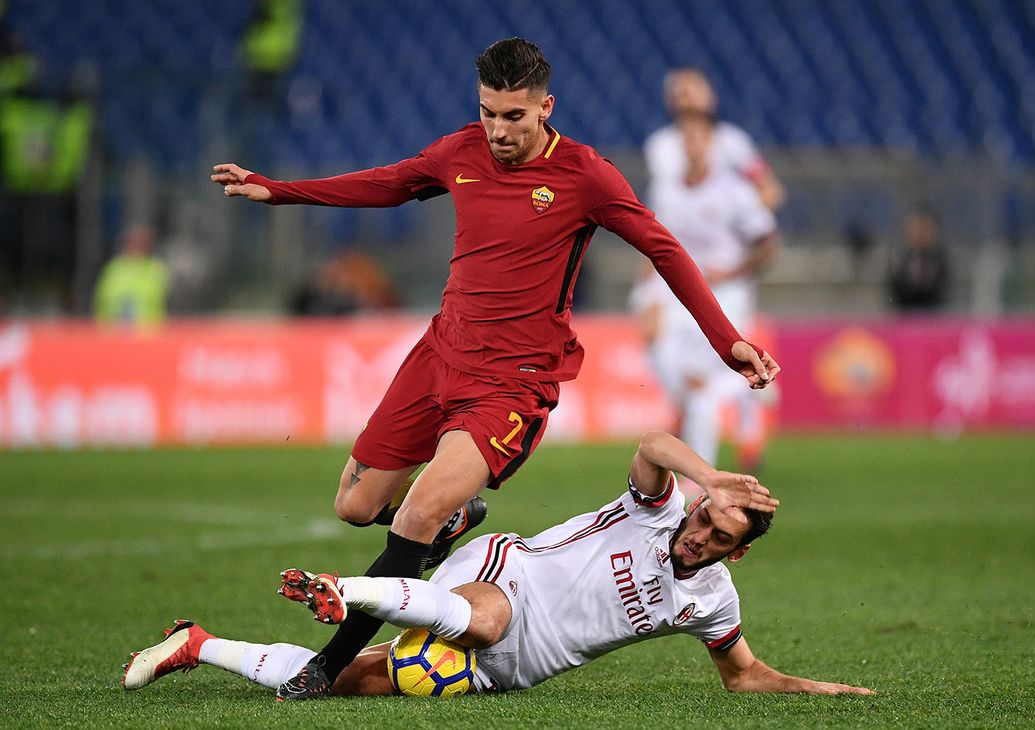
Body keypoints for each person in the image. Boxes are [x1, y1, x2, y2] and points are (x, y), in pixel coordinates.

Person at [210, 37, 780, 700]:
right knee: (356, 506)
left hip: (512, 384)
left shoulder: (586, 175)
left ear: (545, 108)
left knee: (414, 519)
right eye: (488, 113)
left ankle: (325, 667)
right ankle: (453, 523)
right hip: (438, 357)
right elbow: (389, 183)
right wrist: (280, 192)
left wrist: (727, 342)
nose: (499, 131)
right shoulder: (461, 151)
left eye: (514, 116)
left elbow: (665, 250)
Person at [123, 431, 871, 697]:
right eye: (705, 514)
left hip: (506, 671)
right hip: (504, 578)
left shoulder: (712, 600)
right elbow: (651, 444)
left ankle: (196, 644)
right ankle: (346, 588)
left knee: (336, 683)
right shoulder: (657, 508)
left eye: (719, 534)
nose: (700, 532)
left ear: (738, 552)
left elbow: (743, 674)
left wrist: (817, 689)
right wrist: (708, 478)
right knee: (484, 620)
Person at [634, 111, 779, 473]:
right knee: (669, 363)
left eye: (698, 137)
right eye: (685, 138)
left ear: (712, 144)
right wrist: (645, 292)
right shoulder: (667, 190)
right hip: (680, 292)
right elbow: (653, 243)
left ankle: (698, 477)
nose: (691, 145)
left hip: (726, 296)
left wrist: (731, 271)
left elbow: (768, 243)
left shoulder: (734, 191)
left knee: (699, 383)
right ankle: (743, 392)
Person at [644, 67, 785, 212]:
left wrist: (735, 211)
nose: (690, 103)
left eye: (695, 94)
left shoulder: (733, 140)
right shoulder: (662, 144)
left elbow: (770, 191)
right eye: (683, 95)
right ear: (670, 102)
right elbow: (669, 199)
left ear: (710, 97)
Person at [93, 224, 170, 327]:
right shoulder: (114, 267)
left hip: (149, 331)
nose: (136, 247)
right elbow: (102, 299)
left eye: (141, 243)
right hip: (113, 330)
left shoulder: (156, 269)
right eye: (133, 242)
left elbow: (161, 300)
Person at [888, 210, 950, 311]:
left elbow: (943, 288)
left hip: (933, 313)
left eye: (924, 229)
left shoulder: (939, 258)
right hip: (905, 312)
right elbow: (895, 287)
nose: (920, 234)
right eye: (917, 229)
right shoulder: (900, 257)